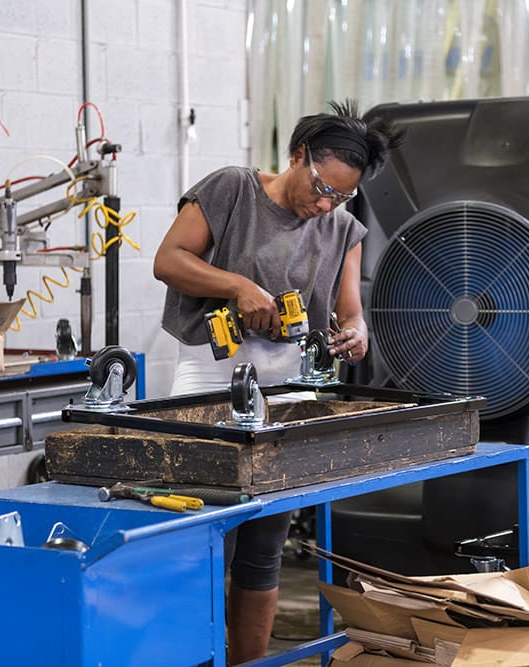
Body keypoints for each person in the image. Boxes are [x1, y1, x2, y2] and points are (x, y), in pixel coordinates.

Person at [153, 99, 404, 664]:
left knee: (264, 545)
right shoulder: (231, 190)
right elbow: (168, 260)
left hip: (289, 388)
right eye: (320, 187)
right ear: (298, 156)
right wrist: (237, 286)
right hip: (210, 375)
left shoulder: (342, 228)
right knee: (204, 532)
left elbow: (349, 310)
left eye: (340, 195)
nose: (324, 204)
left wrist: (357, 332)